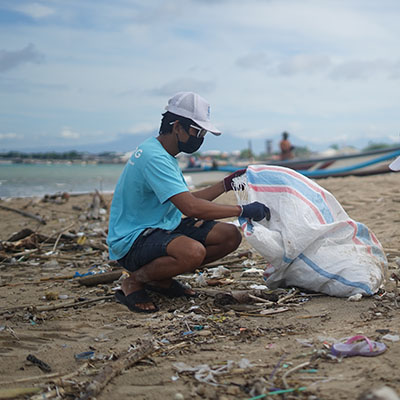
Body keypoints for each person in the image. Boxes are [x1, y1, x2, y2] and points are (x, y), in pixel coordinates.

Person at [107, 91, 270, 313]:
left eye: (203, 132)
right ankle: (134, 281)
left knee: (229, 236)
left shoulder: (163, 153)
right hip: (133, 239)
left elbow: (186, 199)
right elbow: (191, 208)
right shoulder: (154, 157)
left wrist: (226, 185)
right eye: (197, 131)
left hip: (161, 227)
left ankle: (159, 278)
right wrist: (242, 210)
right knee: (192, 252)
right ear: (176, 127)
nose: (200, 138)